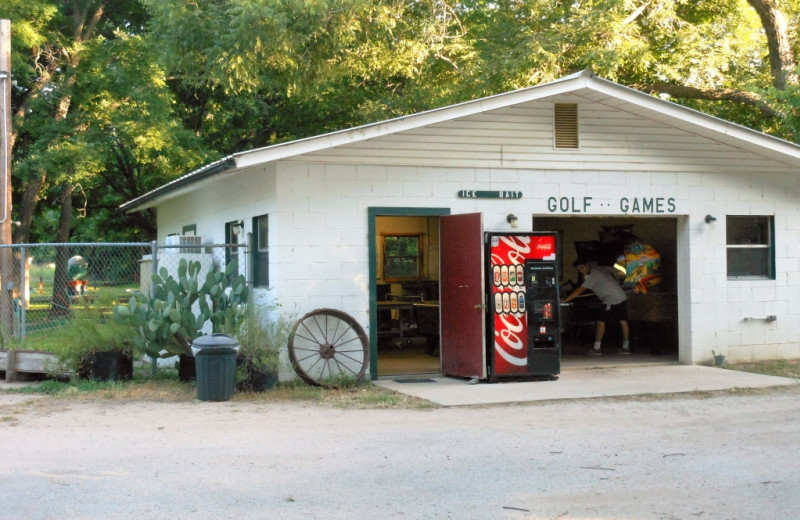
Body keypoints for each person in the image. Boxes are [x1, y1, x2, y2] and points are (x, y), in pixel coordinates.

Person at [561, 258, 630, 356]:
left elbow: (580, 289)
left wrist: (567, 299)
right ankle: (626, 347)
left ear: (587, 264)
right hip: (621, 295)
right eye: (579, 269)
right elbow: (612, 270)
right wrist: (616, 282)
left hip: (611, 299)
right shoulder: (599, 268)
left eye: (582, 267)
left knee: (600, 322)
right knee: (623, 321)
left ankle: (596, 348)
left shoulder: (593, 275)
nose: (581, 270)